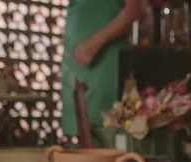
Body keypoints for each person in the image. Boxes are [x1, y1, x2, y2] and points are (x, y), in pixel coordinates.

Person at [61, 0, 143, 138]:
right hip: (74, 62)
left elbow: (133, 10)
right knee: (76, 138)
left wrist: (95, 43)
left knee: (103, 137)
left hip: (103, 59)